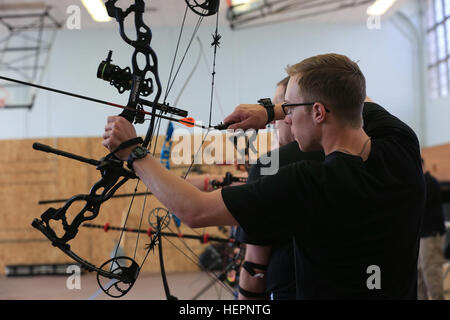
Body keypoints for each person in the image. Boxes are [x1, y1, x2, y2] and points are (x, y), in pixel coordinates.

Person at [102, 53, 425, 299]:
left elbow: (195, 210)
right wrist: (271, 110)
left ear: (317, 112)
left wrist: (134, 152)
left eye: (291, 109)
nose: (285, 119)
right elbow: (353, 97)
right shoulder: (400, 144)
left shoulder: (307, 183)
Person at [236, 76, 324, 300]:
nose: (273, 120)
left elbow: (255, 266)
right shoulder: (351, 155)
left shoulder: (269, 165)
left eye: (282, 109)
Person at [418, 158, 446, 300]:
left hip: (430, 236)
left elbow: (416, 205)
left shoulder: (430, 183)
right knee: (419, 278)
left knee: (431, 276)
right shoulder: (419, 183)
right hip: (420, 237)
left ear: (421, 165)